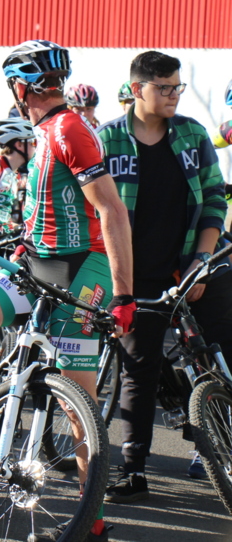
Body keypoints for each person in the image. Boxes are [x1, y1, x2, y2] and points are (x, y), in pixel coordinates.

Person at [0, 39, 134, 542]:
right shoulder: (41, 131)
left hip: (83, 269)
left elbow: (112, 211)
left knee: (78, 402)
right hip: (37, 262)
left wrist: (123, 293)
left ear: (20, 85)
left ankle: (89, 520)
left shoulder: (71, 127)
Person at [98, 51, 232, 502]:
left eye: (178, 87)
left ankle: (218, 446)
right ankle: (133, 468)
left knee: (222, 355)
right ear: (138, 89)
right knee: (139, 368)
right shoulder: (108, 141)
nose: (174, 95)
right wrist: (120, 286)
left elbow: (214, 198)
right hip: (139, 277)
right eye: (164, 88)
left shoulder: (192, 134)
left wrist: (200, 261)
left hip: (200, 263)